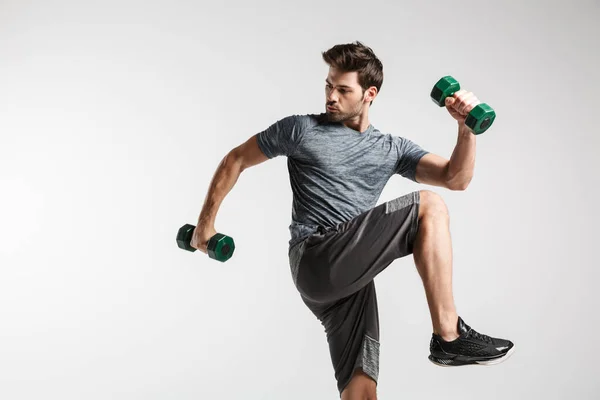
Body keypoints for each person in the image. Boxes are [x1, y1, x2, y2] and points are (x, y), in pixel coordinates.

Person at [190, 41, 515, 400]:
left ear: (369, 94)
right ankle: (449, 337)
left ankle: (445, 342)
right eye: (329, 85)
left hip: (349, 276)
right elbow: (236, 159)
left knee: (361, 389)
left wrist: (466, 130)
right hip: (315, 256)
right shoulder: (301, 130)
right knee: (429, 206)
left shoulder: (391, 149)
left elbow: (457, 178)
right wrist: (206, 224)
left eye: (343, 90)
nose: (331, 97)